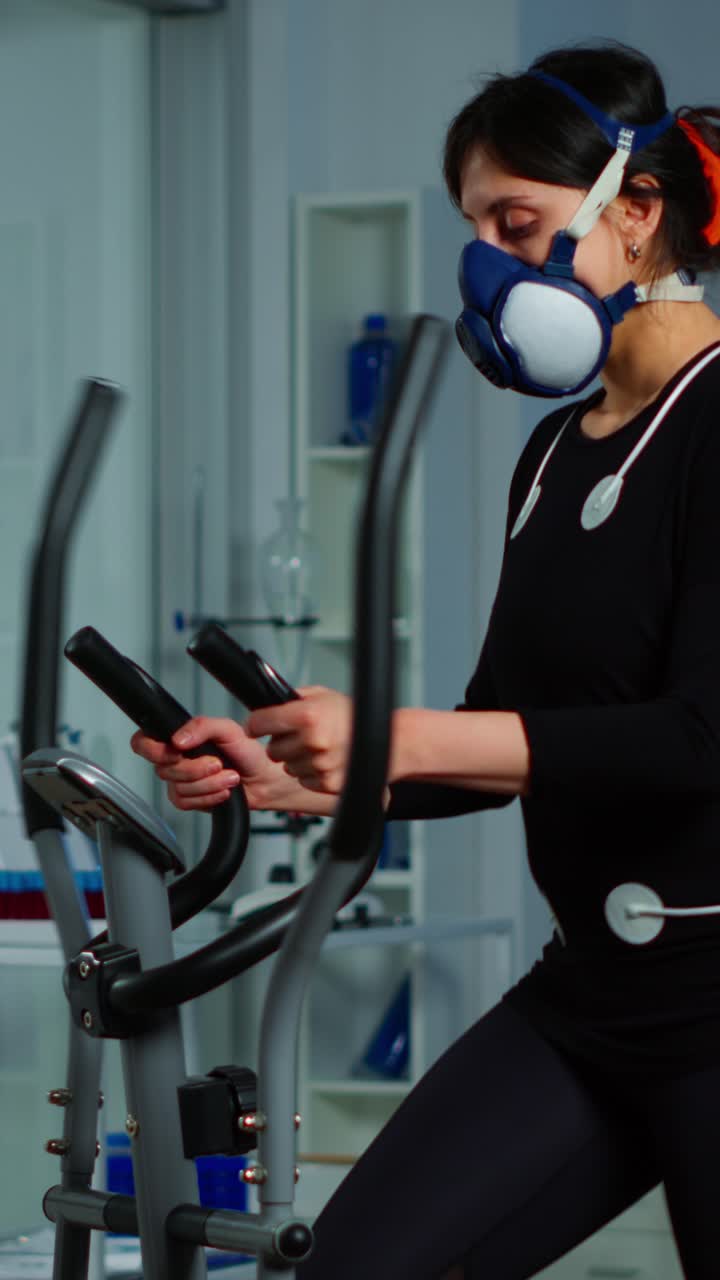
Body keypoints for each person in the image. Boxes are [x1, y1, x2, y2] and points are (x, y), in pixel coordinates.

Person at [133, 41, 720, 1280]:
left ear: (639, 211)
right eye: (475, 229)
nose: (490, 266)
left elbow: (698, 738)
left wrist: (395, 738)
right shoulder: (555, 454)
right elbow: (505, 735)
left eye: (519, 224)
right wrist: (307, 769)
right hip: (592, 1000)